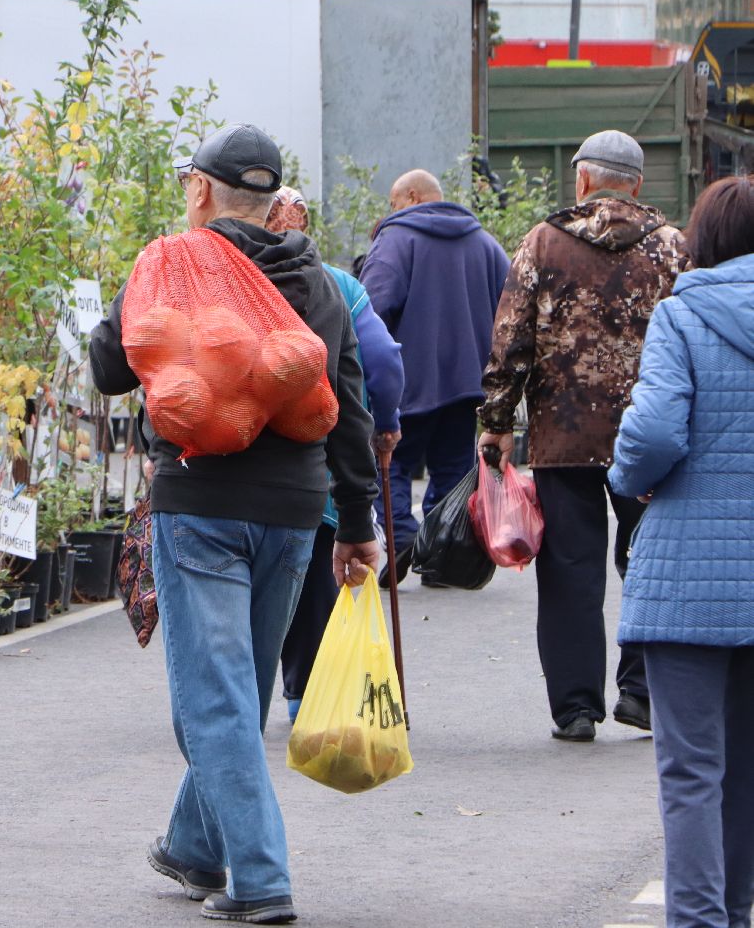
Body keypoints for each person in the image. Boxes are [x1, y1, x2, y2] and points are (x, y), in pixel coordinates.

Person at [90, 125, 381, 925]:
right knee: (240, 690)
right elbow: (349, 411)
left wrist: (138, 285)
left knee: (212, 701)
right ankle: (193, 846)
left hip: (203, 507)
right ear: (273, 199)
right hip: (294, 515)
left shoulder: (175, 266)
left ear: (201, 190)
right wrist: (357, 523)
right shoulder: (318, 283)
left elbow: (111, 367)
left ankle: (260, 877)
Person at [477, 130, 690, 742]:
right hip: (652, 439)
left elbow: (511, 339)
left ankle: (575, 708)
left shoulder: (544, 242)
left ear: (583, 180)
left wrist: (496, 423)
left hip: (561, 437)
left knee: (571, 570)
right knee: (651, 562)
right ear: (639, 186)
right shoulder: (674, 248)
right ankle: (642, 692)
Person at [607, 176, 754, 928]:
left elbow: (657, 430)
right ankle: (737, 910)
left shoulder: (683, 315)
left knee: (692, 769)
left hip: (691, 576)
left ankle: (700, 922)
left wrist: (628, 478)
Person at [266, 187, 405, 722]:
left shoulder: (227, 280)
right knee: (316, 573)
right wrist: (386, 425)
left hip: (233, 466)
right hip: (316, 461)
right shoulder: (338, 286)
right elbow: (384, 363)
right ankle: (308, 693)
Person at [358, 169, 509, 573]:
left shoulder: (396, 239)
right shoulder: (485, 243)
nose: (391, 212)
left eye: (393, 204)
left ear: (410, 196)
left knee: (391, 462)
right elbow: (512, 309)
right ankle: (443, 553)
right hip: (467, 387)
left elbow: (371, 306)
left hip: (407, 382)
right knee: (452, 466)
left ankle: (401, 537)